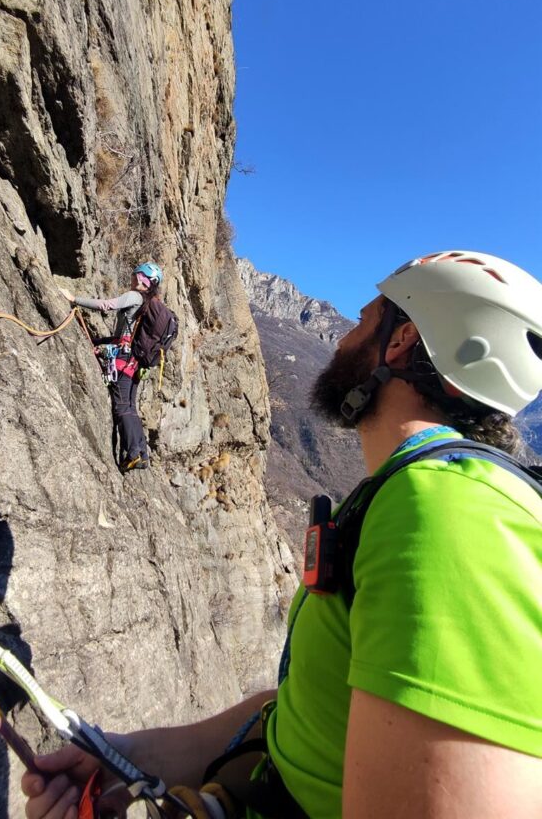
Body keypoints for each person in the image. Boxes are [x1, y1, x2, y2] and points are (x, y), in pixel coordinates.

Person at [30, 250, 542, 818]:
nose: (345, 335)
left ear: (400, 342)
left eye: (365, 319)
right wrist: (121, 754)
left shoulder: (447, 515)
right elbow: (309, 707)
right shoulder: (405, 499)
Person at [60, 262, 164, 472]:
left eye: (136, 275)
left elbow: (107, 305)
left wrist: (74, 299)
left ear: (143, 279)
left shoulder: (135, 297)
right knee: (130, 406)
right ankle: (141, 453)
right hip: (135, 362)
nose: (132, 277)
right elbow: (123, 335)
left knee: (121, 406)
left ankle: (134, 452)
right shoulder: (149, 303)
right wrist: (100, 342)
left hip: (124, 360)